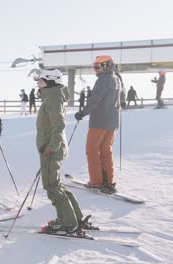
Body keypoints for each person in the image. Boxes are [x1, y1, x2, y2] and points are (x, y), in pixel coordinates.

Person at [34, 68, 85, 234]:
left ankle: (67, 222)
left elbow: (59, 125)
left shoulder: (53, 98)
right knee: (55, 185)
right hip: (50, 147)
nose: (37, 83)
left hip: (51, 148)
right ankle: (75, 217)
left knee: (51, 186)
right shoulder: (51, 97)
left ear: (50, 81)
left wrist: (51, 147)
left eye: (40, 80)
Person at [75, 55, 121, 194]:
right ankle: (109, 181)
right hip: (112, 121)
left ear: (106, 65)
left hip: (100, 121)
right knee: (106, 150)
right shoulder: (116, 78)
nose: (95, 70)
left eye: (97, 66)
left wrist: (83, 112)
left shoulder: (103, 80)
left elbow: (95, 99)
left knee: (92, 149)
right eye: (94, 66)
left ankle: (96, 181)